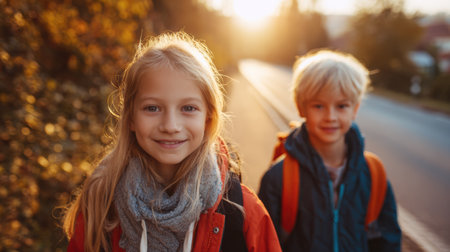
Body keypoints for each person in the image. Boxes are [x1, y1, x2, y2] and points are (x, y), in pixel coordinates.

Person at [62, 31, 281, 252]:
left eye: (188, 108)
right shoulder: (101, 202)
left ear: (208, 118)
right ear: (130, 118)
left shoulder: (243, 212)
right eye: (152, 108)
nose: (170, 125)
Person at [258, 50, 401, 251]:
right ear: (301, 108)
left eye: (341, 106)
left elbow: (388, 241)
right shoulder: (278, 178)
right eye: (319, 106)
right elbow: (265, 243)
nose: (330, 116)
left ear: (355, 109)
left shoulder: (373, 174)